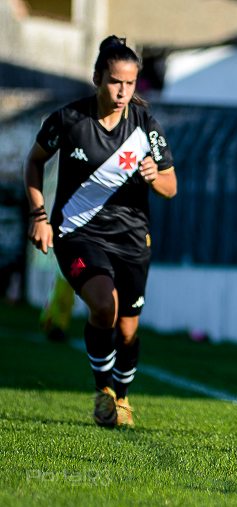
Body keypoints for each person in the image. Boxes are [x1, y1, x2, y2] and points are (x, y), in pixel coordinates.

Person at [24, 36, 177, 428]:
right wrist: (39, 215)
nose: (122, 91)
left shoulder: (145, 125)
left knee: (127, 329)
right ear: (97, 79)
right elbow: (34, 162)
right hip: (78, 235)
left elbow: (171, 186)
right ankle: (103, 391)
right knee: (104, 305)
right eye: (114, 82)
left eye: (129, 83)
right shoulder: (68, 119)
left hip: (132, 239)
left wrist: (153, 177)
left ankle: (122, 397)